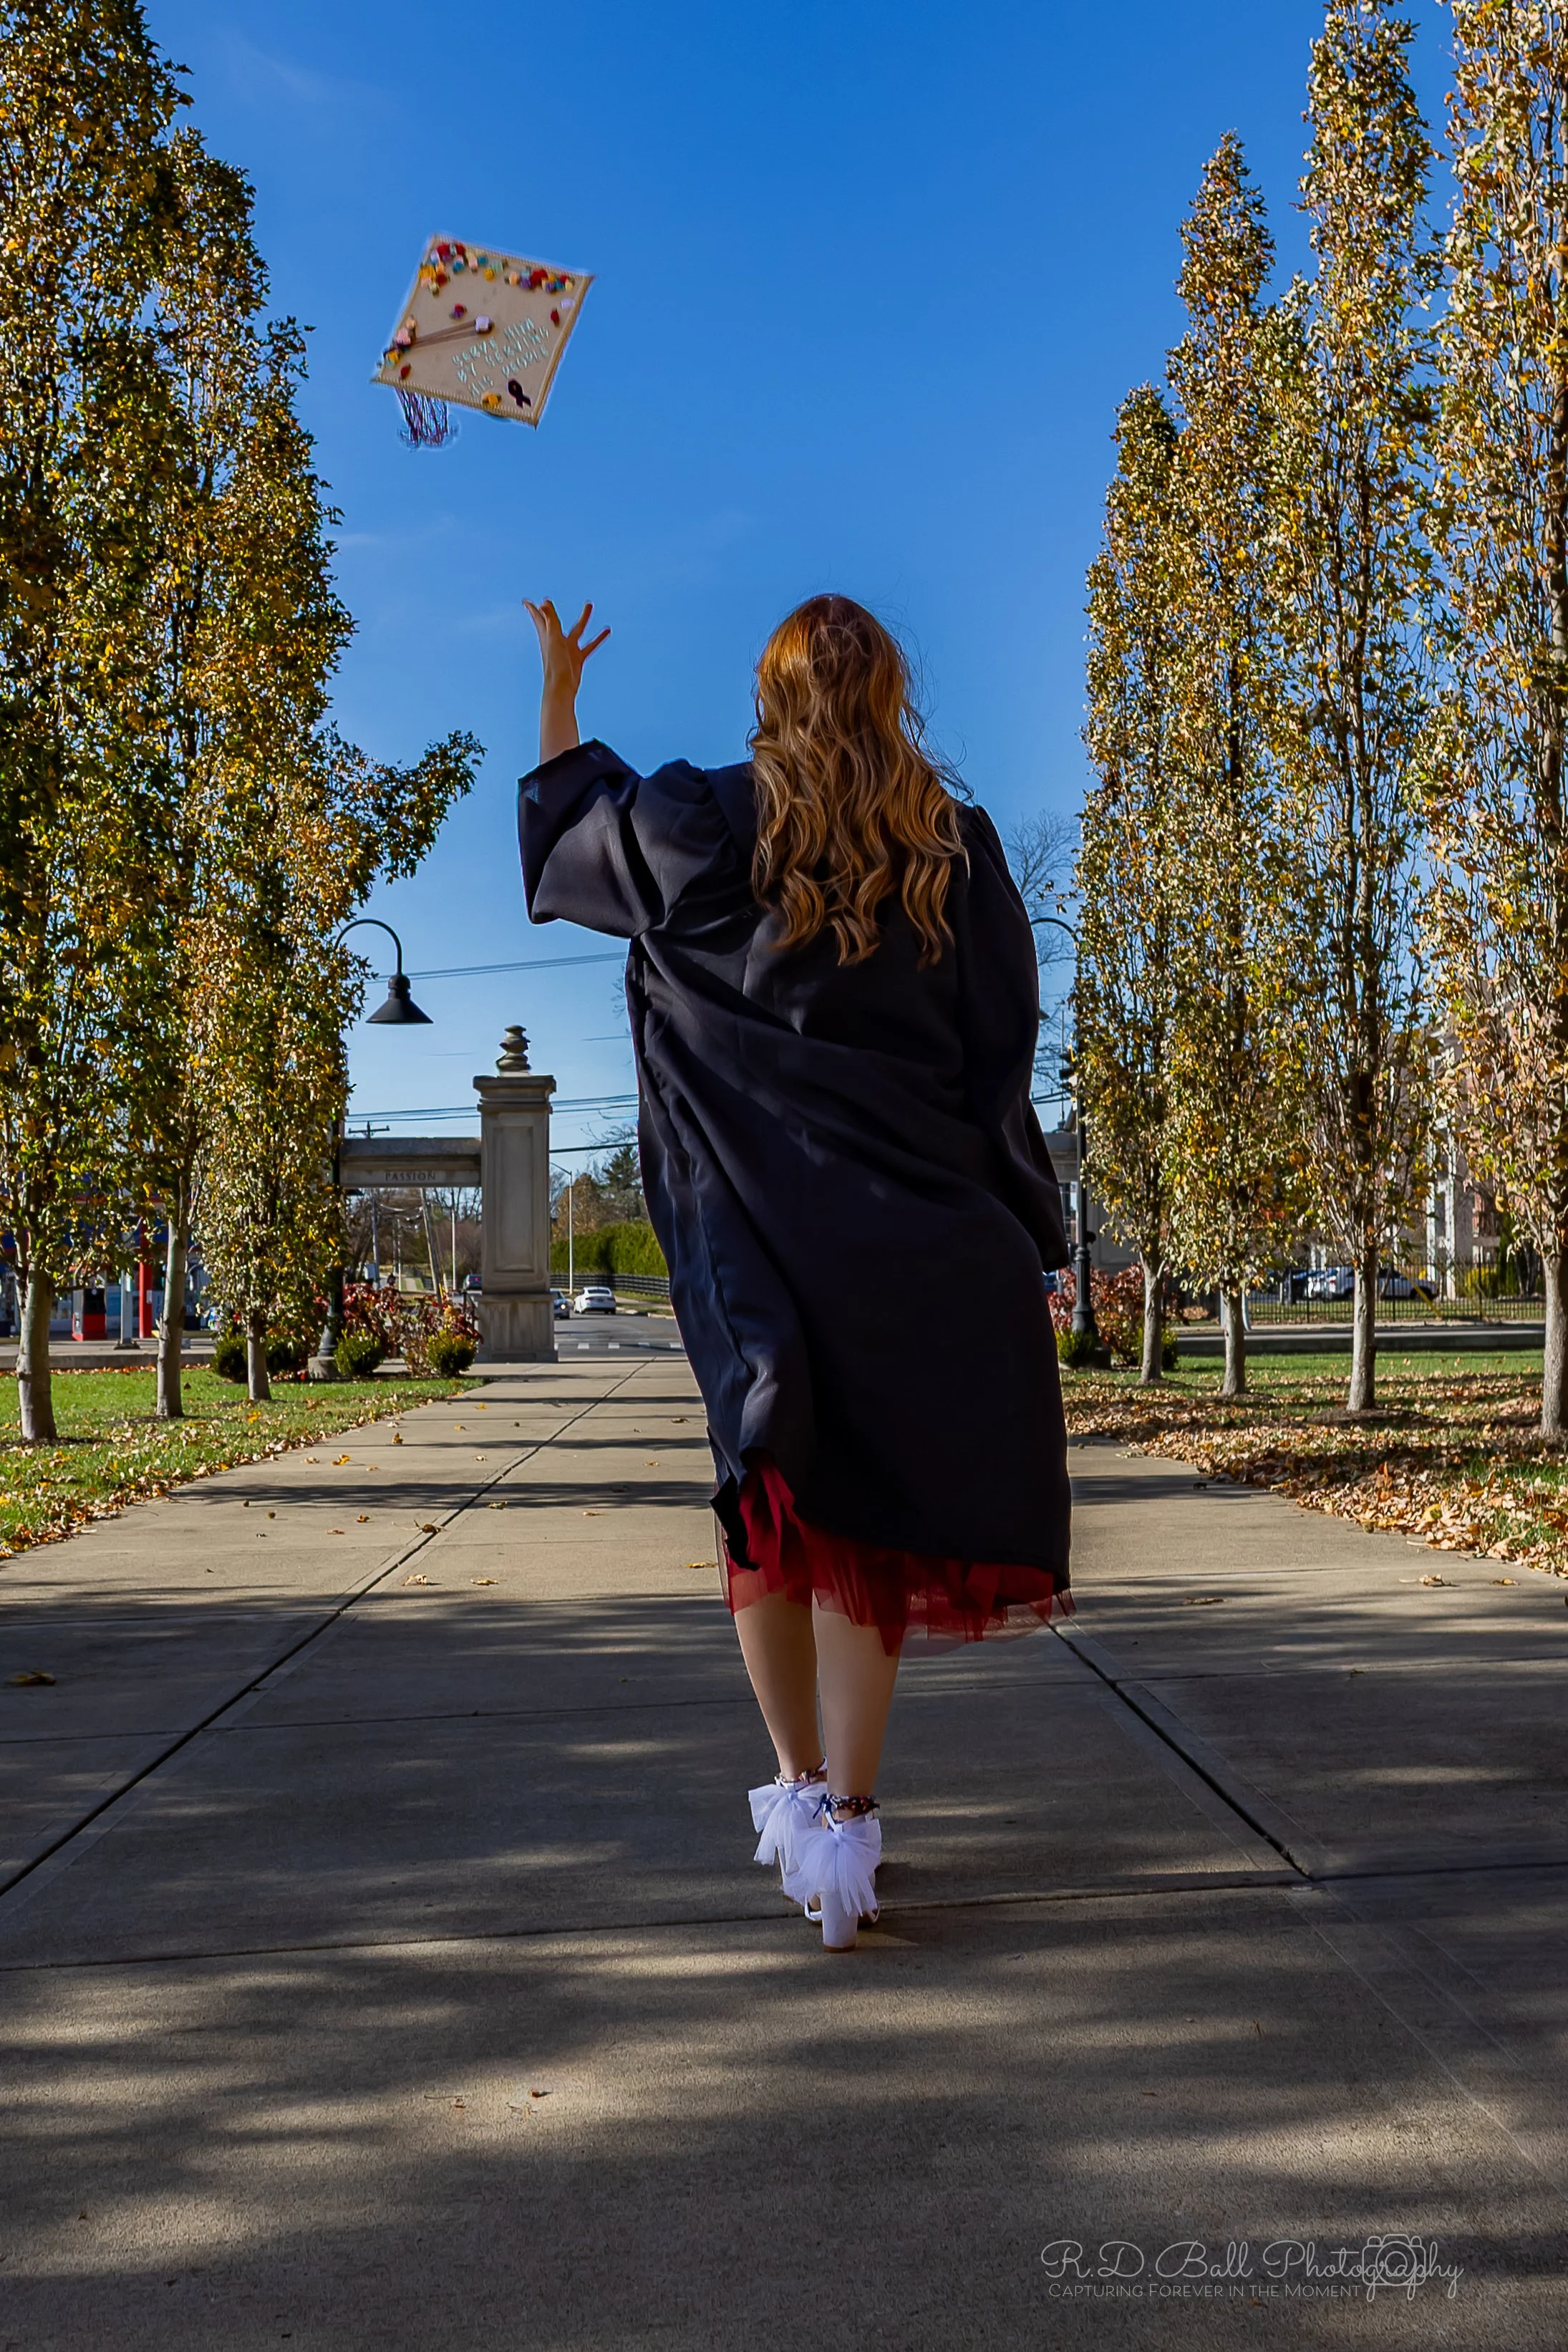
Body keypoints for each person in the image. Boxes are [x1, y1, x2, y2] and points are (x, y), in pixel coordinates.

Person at [519, 592, 1073, 1950]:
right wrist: (1014, 1211)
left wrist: (558, 697)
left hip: (755, 1223)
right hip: (913, 1232)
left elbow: (572, 850)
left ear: (770, 697)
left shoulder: (704, 819)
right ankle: (851, 1830)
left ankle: (799, 1789)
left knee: (767, 1501)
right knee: (864, 1525)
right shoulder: (950, 843)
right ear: (890, 693)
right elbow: (1001, 1043)